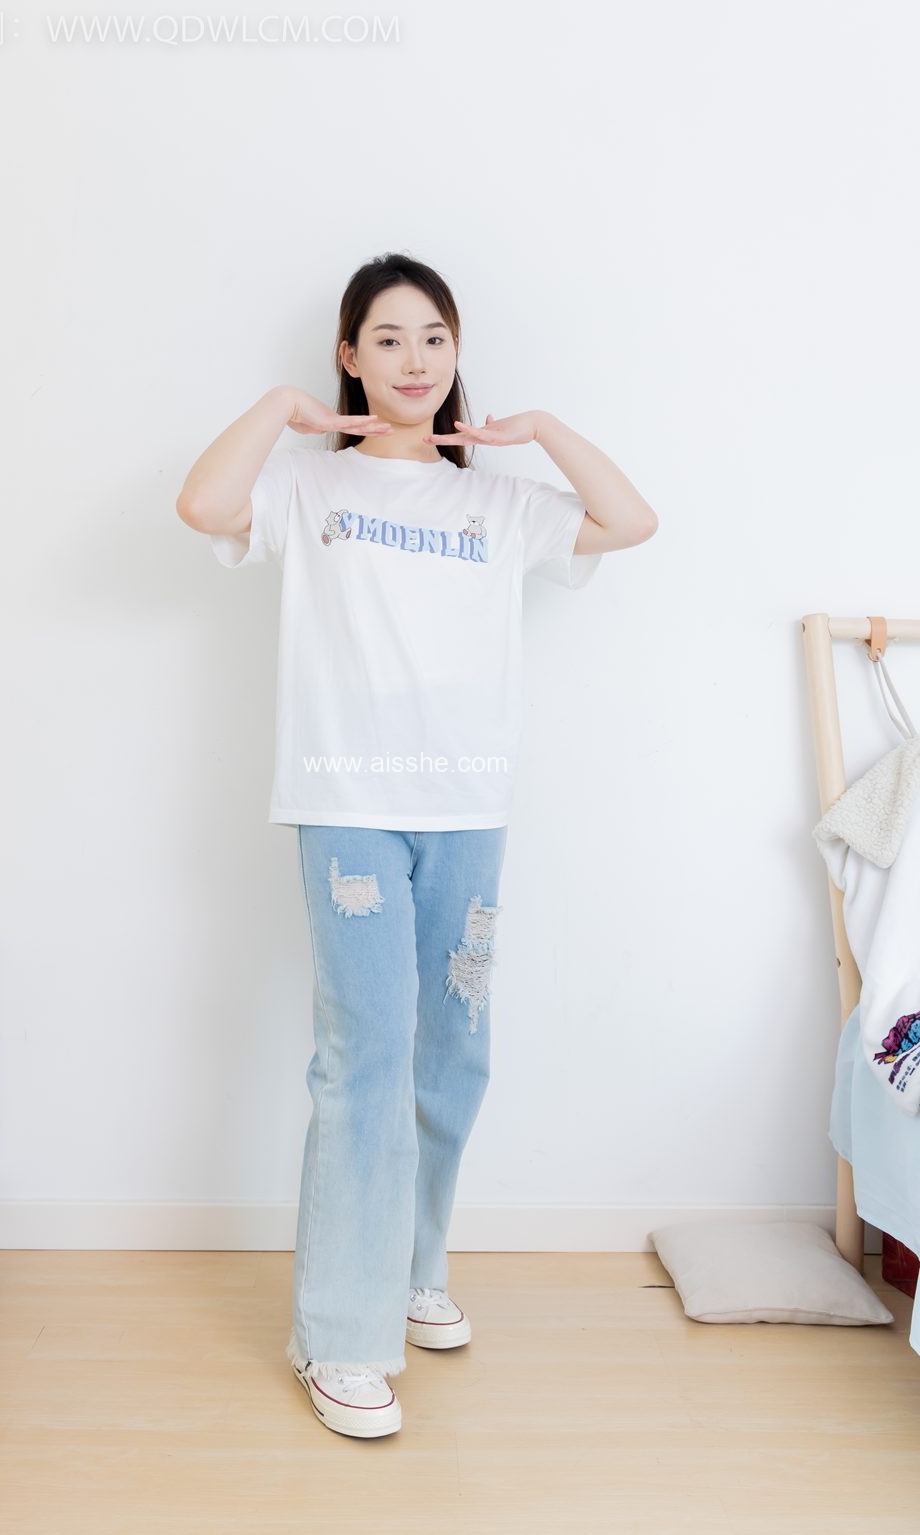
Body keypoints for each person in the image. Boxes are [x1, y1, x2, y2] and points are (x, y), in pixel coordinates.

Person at [176, 252, 657, 1438]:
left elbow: (630, 521)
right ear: (350, 355)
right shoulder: (309, 483)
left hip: (468, 812)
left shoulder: (496, 503)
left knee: (453, 1054)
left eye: (432, 337)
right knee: (366, 1056)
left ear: (454, 354)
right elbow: (202, 504)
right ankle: (338, 1334)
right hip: (347, 804)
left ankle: (408, 1266)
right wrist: (281, 410)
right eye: (386, 338)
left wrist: (540, 432)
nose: (412, 359)